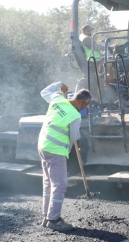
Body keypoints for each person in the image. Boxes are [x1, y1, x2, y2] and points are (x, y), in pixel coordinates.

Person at [38, 81, 92, 231]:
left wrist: (59, 84)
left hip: (43, 145)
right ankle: (54, 219)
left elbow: (44, 91)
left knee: (49, 183)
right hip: (56, 150)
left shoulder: (57, 99)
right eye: (86, 104)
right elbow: (75, 136)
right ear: (81, 101)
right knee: (60, 185)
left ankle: (46, 215)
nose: (86, 107)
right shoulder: (75, 115)